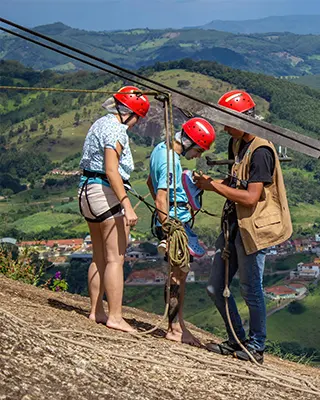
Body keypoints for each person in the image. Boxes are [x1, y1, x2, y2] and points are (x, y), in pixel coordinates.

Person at [195, 90, 293, 364]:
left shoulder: (261, 151)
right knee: (216, 287)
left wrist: (212, 186)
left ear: (241, 120)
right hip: (235, 225)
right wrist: (212, 183)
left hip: (254, 228)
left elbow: (251, 197)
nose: (223, 126)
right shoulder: (237, 144)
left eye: (227, 120)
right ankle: (237, 340)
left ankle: (256, 346)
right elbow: (236, 185)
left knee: (251, 289)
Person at [78, 86, 150, 332]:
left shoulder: (99, 123)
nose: (137, 124)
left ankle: (96, 311)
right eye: (138, 119)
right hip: (105, 193)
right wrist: (127, 206)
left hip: (86, 191)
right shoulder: (116, 129)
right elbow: (111, 169)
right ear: (131, 113)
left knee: (98, 256)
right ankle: (115, 316)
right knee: (115, 259)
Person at [147, 117, 216, 345]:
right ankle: (175, 328)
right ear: (189, 142)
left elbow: (150, 182)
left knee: (177, 275)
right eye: (198, 150)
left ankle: (178, 325)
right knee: (178, 277)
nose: (197, 156)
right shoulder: (171, 161)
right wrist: (169, 228)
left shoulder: (160, 149)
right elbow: (161, 196)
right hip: (176, 225)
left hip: (172, 221)